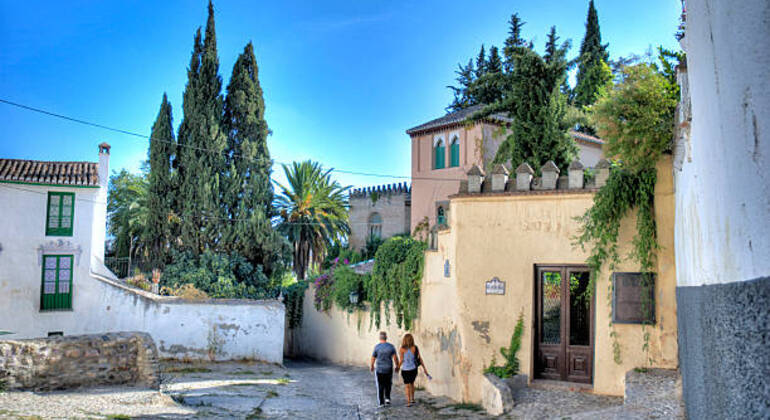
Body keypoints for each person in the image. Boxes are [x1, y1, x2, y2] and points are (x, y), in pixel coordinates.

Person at [398, 333, 430, 407]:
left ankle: (408, 402)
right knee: (412, 384)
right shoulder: (415, 348)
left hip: (405, 370)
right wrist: (425, 369)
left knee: (407, 386)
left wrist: (398, 367)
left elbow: (401, 360)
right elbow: (420, 359)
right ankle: (412, 399)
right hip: (413, 369)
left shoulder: (402, 349)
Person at [370, 331, 399, 407]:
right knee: (388, 383)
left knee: (380, 385)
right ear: (386, 337)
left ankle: (381, 402)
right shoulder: (391, 347)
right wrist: (397, 366)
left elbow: (373, 358)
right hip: (388, 368)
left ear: (380, 338)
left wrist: (372, 366)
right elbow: (395, 358)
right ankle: (387, 398)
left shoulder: (377, 347)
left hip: (379, 369)